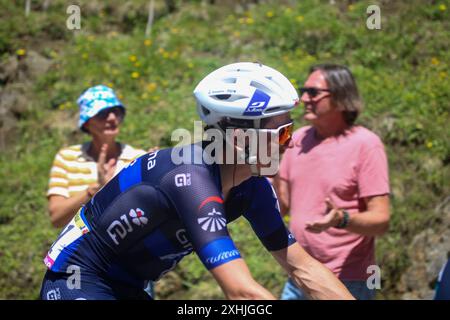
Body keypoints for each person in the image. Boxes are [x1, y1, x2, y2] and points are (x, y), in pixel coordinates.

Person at [40, 62, 354, 300]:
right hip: (77, 279)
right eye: (282, 134)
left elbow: (304, 269)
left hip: (130, 285)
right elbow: (241, 291)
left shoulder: (254, 188)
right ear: (239, 139)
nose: (292, 143)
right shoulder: (190, 178)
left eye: (292, 131)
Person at [273, 64, 390, 300]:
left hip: (346, 280)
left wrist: (342, 219)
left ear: (340, 97)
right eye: (304, 91)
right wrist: (269, 162)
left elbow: (381, 221)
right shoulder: (296, 139)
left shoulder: (366, 145)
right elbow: (282, 205)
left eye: (313, 93)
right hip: (299, 272)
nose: (304, 98)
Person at [47, 85, 146, 228]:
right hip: (82, 248)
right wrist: (94, 191)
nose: (112, 118)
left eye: (116, 112)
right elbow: (56, 218)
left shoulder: (138, 157)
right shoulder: (67, 158)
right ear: (86, 123)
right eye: (102, 113)